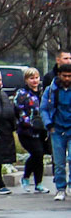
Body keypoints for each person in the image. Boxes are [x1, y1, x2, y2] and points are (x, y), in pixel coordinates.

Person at [15, 68, 50, 193]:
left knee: (40, 156)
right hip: (26, 131)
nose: (35, 81)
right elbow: (19, 111)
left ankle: (38, 183)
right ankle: (26, 177)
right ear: (26, 80)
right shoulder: (22, 94)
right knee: (37, 153)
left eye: (36, 78)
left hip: (41, 131)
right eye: (31, 78)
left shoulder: (43, 92)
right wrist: (30, 123)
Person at [40, 63, 71, 200]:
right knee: (59, 162)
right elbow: (44, 108)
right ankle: (60, 188)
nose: (67, 79)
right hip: (57, 129)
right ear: (59, 75)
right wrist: (49, 124)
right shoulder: (51, 90)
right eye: (65, 76)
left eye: (69, 76)